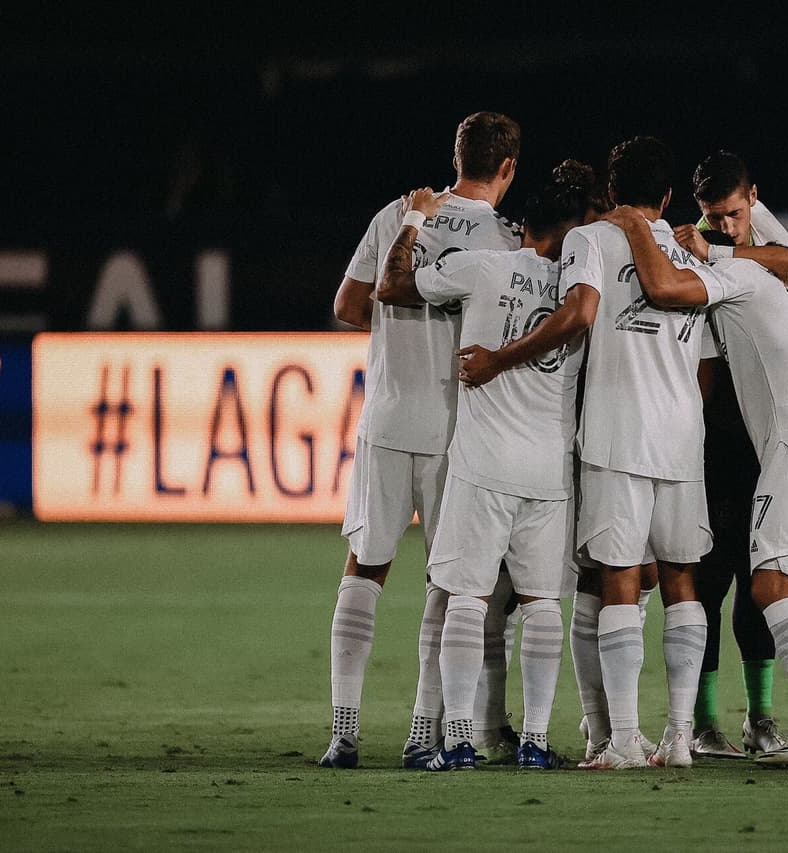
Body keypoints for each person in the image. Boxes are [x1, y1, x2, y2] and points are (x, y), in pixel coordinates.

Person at [458, 136, 714, 770]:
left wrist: (499, 361)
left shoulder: (590, 241)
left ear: (612, 186)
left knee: (616, 579)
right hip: (683, 437)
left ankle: (622, 739)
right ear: (669, 195)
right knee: (682, 582)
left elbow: (578, 312)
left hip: (617, 434)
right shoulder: (690, 252)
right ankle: (679, 738)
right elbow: (707, 361)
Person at [613, 207, 788, 766]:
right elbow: (786, 254)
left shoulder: (738, 277)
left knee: (768, 586)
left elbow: (666, 285)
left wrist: (637, 227)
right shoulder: (785, 291)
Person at [365, 163, 593, 770]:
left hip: (482, 463)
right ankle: (537, 743)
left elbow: (390, 287)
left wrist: (414, 219)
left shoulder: (483, 267)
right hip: (549, 469)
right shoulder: (582, 293)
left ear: (524, 228)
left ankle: (459, 737)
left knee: (465, 597)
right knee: (544, 604)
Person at [319, 112, 521, 769]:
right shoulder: (506, 238)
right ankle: (420, 732)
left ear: (455, 156)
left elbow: (350, 306)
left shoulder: (399, 212)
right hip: (455, 428)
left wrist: (400, 329)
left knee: (366, 566)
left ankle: (343, 731)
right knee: (449, 580)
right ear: (508, 167)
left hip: (385, 415)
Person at [682, 151, 788, 759]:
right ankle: (704, 723)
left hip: (764, 444)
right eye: (710, 218)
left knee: (761, 586)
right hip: (713, 441)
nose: (722, 227)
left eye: (731, 213)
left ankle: (761, 718)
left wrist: (722, 250)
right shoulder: (691, 247)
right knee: (707, 584)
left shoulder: (762, 235)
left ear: (753, 196)